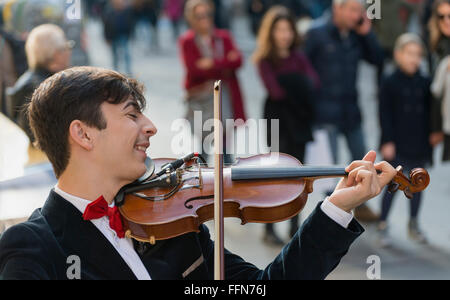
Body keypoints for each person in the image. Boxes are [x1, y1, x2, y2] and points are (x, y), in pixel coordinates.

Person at [0, 66, 398, 279]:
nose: (151, 126)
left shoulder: (171, 225)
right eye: (131, 115)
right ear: (83, 134)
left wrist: (337, 206)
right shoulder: (33, 246)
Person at [303, 0, 384, 222]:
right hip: (324, 111)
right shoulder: (316, 32)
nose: (357, 15)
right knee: (331, 168)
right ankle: (335, 212)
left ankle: (361, 203)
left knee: (363, 158)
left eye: (360, 11)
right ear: (338, 8)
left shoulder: (357, 34)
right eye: (353, 10)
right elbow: (303, 68)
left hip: (351, 110)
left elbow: (378, 59)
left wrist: (367, 34)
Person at [253, 6, 320, 245]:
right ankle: (269, 226)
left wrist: (298, 85)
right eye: (279, 30)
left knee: (298, 174)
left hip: (299, 119)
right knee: (275, 173)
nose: (284, 34)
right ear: (271, 33)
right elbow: (276, 91)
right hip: (278, 119)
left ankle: (294, 224)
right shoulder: (265, 60)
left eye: (288, 29)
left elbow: (314, 83)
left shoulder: (299, 57)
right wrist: (298, 85)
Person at [377, 33, 433, 247]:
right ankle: (383, 224)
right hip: (397, 144)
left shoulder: (424, 82)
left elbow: (431, 112)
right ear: (398, 54)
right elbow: (385, 114)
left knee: (417, 185)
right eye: (409, 54)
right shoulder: (390, 81)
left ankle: (413, 223)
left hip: (419, 143)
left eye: (418, 55)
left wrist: (433, 135)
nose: (414, 59)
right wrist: (387, 140)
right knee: (392, 185)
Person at [179, 0, 246, 164]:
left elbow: (237, 61)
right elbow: (194, 70)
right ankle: (205, 186)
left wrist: (212, 63)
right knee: (204, 145)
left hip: (225, 98)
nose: (204, 19)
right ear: (192, 18)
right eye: (199, 16)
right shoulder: (187, 40)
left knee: (225, 149)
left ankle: (227, 185)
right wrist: (224, 63)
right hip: (202, 100)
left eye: (207, 14)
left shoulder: (223, 36)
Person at [5, 23, 72, 165]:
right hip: (49, 166)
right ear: (56, 54)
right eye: (67, 46)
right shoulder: (51, 89)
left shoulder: (29, 82)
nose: (69, 51)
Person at [427, 0, 450, 161]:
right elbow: (435, 91)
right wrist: (436, 128)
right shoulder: (437, 46)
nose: (447, 21)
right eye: (441, 16)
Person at [102, 0, 135, 76]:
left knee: (126, 53)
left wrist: (130, 34)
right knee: (115, 54)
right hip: (113, 36)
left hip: (123, 35)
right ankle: (115, 71)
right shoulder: (109, 12)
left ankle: (128, 70)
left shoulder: (127, 11)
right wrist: (107, 38)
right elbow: (106, 26)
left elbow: (130, 24)